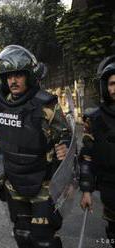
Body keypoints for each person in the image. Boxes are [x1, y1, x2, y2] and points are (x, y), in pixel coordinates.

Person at [0, 45, 70, 248]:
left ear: (29, 76)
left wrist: (66, 151)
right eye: (9, 76)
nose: (13, 80)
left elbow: (65, 138)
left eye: (18, 75)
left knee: (44, 239)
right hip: (13, 181)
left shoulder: (46, 105)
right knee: (22, 235)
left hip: (43, 181)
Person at [79, 55, 115, 248]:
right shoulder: (95, 120)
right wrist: (86, 190)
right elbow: (87, 157)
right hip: (110, 190)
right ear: (105, 87)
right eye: (112, 83)